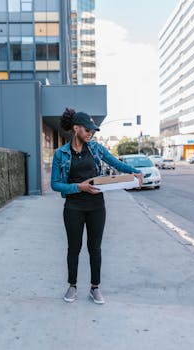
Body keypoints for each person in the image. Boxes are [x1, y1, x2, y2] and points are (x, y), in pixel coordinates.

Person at [51, 108, 144, 304]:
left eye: (92, 130)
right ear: (76, 128)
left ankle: (95, 288)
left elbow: (116, 163)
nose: (90, 133)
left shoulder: (96, 149)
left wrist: (136, 172)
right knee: (73, 248)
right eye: (87, 130)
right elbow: (55, 184)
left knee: (95, 248)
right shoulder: (61, 154)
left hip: (96, 207)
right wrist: (79, 187)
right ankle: (72, 286)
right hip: (73, 207)